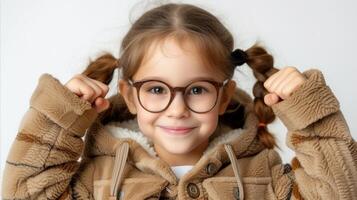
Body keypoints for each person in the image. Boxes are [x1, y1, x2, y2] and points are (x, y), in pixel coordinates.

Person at [2, 3, 356, 200]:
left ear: (224, 96)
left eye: (197, 89)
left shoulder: (262, 176)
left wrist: (312, 116)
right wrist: (57, 117)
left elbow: (341, 193)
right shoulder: (97, 178)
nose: (177, 108)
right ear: (130, 95)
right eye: (156, 89)